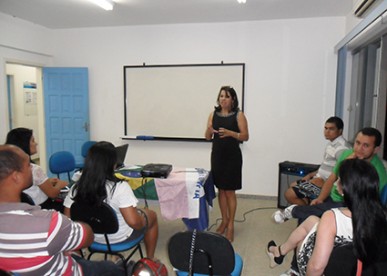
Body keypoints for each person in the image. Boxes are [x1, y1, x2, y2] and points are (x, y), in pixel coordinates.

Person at [0, 144, 125, 275]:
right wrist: (63, 235)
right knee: (111, 268)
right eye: (28, 165)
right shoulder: (48, 223)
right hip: (67, 271)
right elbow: (87, 237)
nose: (32, 167)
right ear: (16, 177)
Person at [266, 158, 387, 276]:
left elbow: (316, 268)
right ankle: (279, 252)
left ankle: (293, 268)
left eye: (339, 179)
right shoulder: (380, 215)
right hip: (357, 268)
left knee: (304, 239)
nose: (335, 182)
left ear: (345, 188)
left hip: (331, 269)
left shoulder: (332, 217)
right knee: (311, 220)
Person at [63, 141, 159, 259]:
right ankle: (150, 259)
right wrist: (142, 219)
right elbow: (134, 223)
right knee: (152, 215)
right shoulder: (120, 187)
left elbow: (68, 219)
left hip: (89, 236)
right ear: (113, 164)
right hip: (119, 237)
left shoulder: (75, 188)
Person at [273, 127, 387, 224]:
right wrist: (320, 198)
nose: (359, 149)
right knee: (306, 218)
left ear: (376, 149)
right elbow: (332, 178)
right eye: (357, 143)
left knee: (312, 215)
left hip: (351, 205)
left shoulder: (378, 171)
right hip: (333, 197)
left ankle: (295, 211)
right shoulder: (348, 154)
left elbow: (369, 204)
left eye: (366, 145)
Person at [205, 86, 249, 242]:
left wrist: (231, 133)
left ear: (233, 99)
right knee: (221, 191)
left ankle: (231, 224)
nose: (223, 99)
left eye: (227, 96)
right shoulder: (213, 114)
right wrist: (209, 129)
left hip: (232, 158)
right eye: (221, 96)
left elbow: (245, 136)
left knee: (230, 191)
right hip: (217, 157)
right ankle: (223, 220)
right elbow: (207, 137)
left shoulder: (239, 115)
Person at [284, 117, 350, 206]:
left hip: (325, 185)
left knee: (289, 194)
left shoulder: (341, 148)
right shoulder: (331, 143)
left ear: (340, 131)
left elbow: (344, 173)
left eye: (331, 129)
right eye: (326, 128)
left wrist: (325, 182)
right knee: (293, 185)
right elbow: (326, 166)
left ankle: (308, 212)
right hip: (318, 178)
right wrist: (311, 175)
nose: (327, 131)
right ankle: (308, 210)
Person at [5, 127, 68, 211]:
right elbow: (52, 194)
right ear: (24, 144)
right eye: (33, 141)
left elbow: (31, 186)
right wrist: (60, 184)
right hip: (42, 208)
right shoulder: (33, 169)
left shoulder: (6, 167)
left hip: (21, 208)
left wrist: (47, 181)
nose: (36, 143)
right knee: (69, 204)